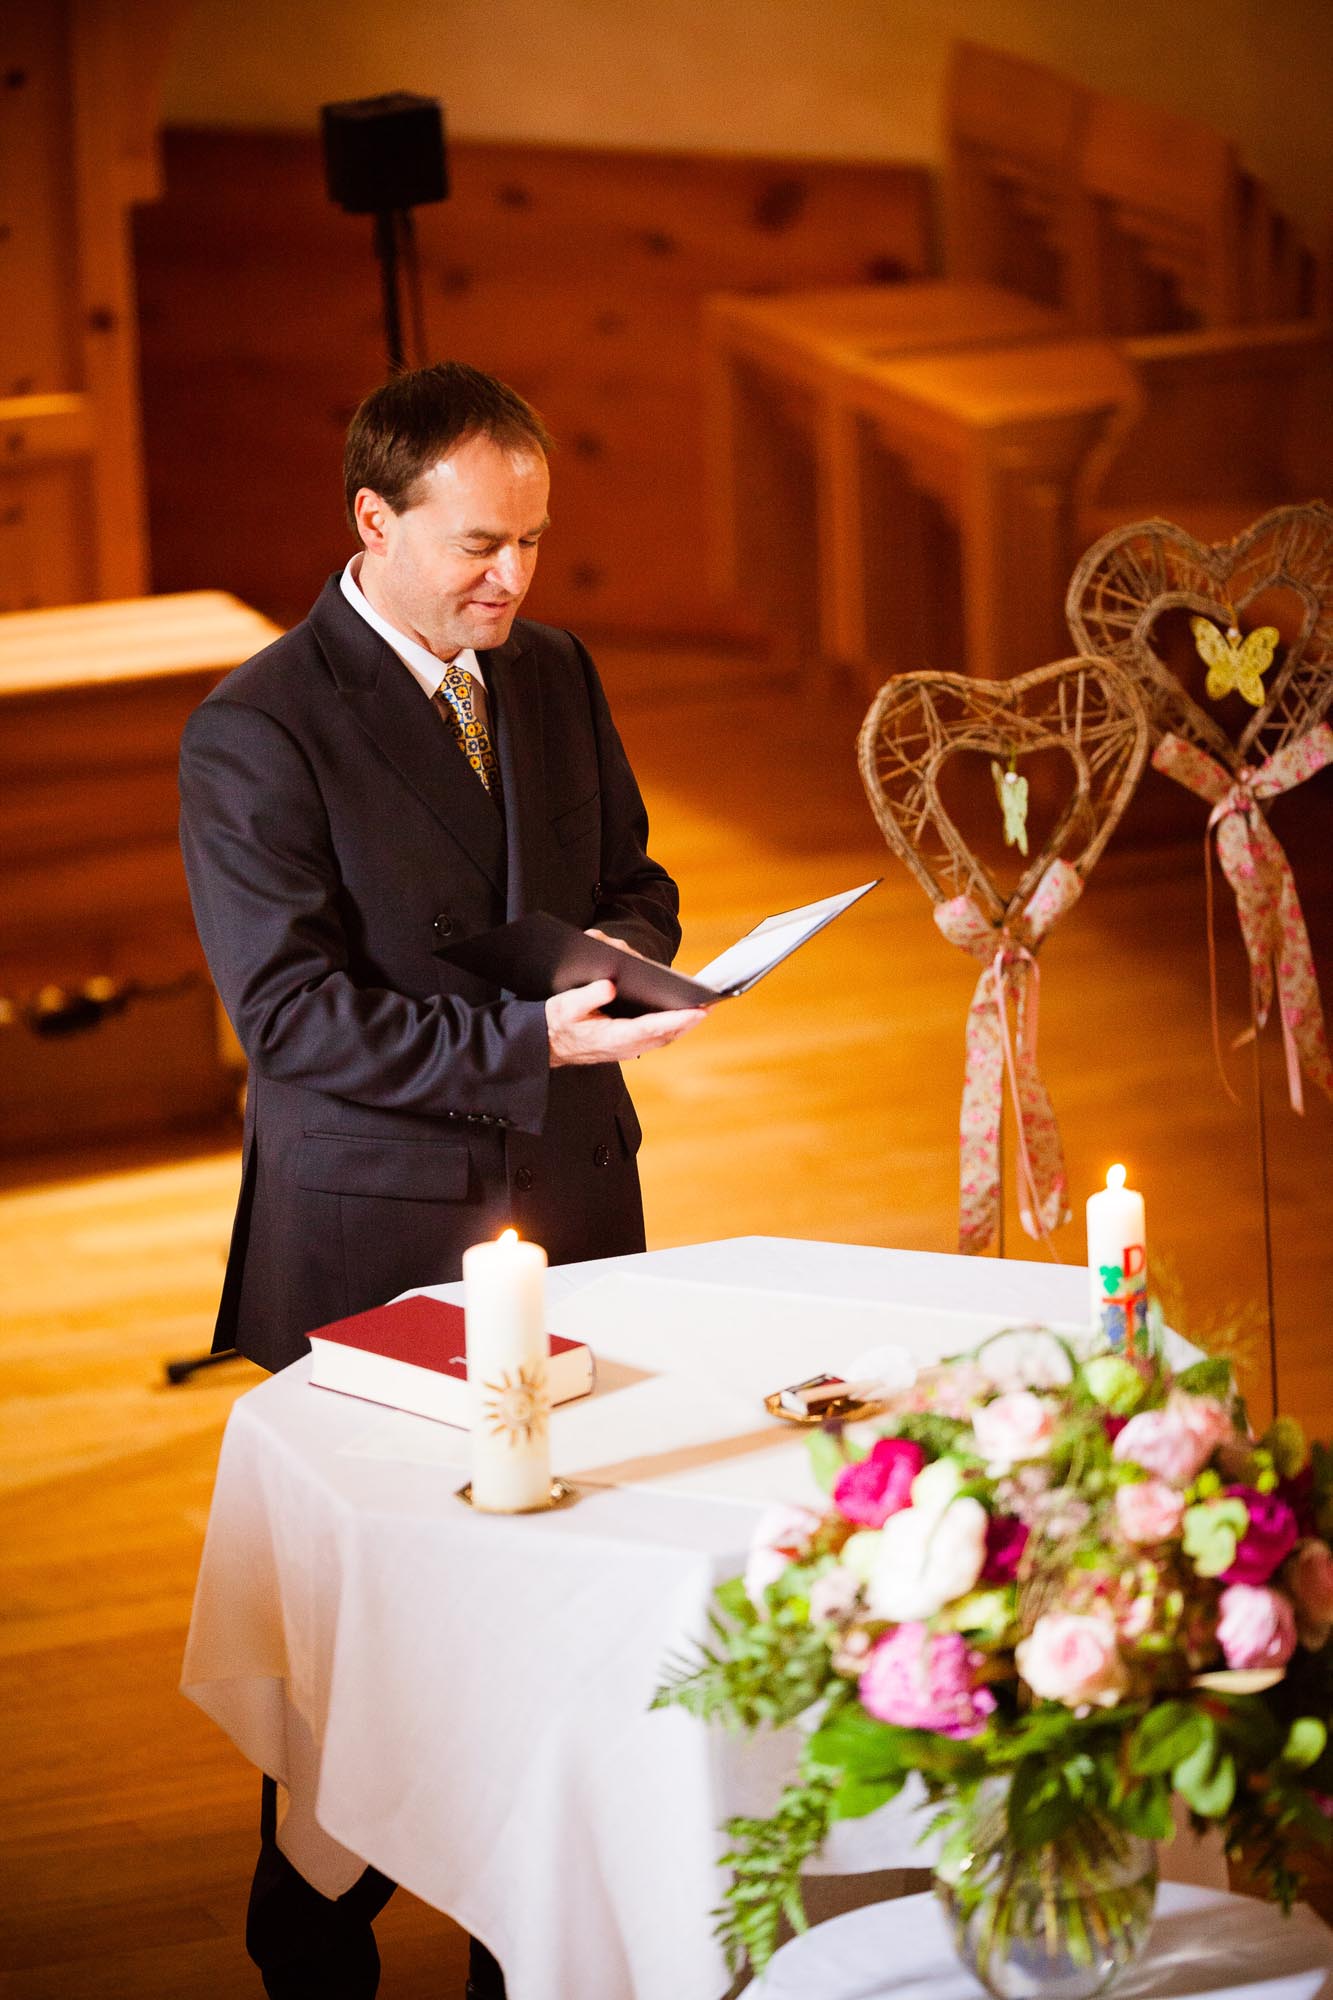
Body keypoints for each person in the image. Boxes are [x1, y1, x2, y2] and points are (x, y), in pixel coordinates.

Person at [178, 360, 705, 1999]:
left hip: (571, 1200)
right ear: (372, 519)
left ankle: (520, 1950)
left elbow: (634, 879)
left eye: (533, 541)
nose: (513, 578)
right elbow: (289, 1020)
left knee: (553, 1616)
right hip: (376, 1238)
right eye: (481, 544)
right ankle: (313, 1940)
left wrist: (629, 964)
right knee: (374, 1647)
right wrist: (531, 1038)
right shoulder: (255, 728)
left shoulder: (550, 670)